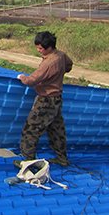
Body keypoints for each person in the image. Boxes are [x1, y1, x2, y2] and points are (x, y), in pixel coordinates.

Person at [17, 31, 73, 167]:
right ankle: (62, 158)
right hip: (57, 99)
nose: (38, 51)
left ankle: (28, 162)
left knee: (31, 129)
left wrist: (22, 77)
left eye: (41, 48)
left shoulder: (49, 63)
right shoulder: (61, 55)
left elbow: (32, 80)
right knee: (56, 130)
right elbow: (69, 66)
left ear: (49, 47)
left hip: (46, 100)